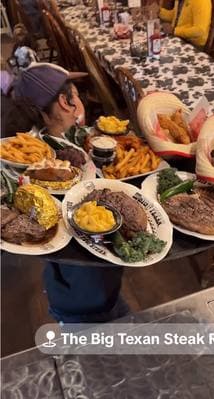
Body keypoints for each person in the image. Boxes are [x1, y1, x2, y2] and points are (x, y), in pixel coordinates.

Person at [11, 63, 128, 323]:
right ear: (65, 102)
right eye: (75, 94)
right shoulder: (60, 166)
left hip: (63, 284)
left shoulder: (36, 151)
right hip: (86, 295)